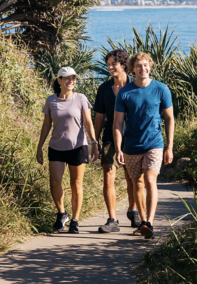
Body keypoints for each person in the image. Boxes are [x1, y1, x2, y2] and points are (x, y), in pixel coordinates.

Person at [113, 52, 174, 239]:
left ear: (150, 67)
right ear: (132, 69)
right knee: (137, 183)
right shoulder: (125, 92)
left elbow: (170, 118)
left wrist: (170, 146)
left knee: (149, 179)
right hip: (131, 144)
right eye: (139, 66)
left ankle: (150, 222)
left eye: (146, 65)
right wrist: (118, 148)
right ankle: (143, 222)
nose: (143, 69)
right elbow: (117, 123)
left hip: (154, 142)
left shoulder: (161, 89)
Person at [36, 67, 99, 234]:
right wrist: (40, 146)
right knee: (55, 182)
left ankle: (75, 220)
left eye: (73, 78)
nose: (71, 81)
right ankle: (62, 213)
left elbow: (88, 122)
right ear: (59, 80)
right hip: (56, 146)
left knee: (76, 184)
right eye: (67, 78)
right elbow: (47, 124)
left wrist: (93, 142)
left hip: (78, 147)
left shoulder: (81, 99)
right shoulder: (51, 101)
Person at [92, 49, 138, 233]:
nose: (110, 67)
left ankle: (133, 211)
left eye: (114, 64)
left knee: (132, 177)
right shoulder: (104, 88)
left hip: (133, 138)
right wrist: (95, 141)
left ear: (123, 64)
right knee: (108, 175)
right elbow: (99, 117)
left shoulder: (136, 85)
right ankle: (112, 220)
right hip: (110, 138)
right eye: (108, 64)